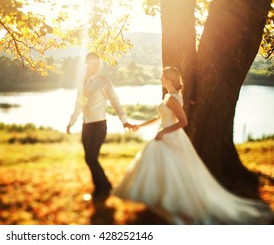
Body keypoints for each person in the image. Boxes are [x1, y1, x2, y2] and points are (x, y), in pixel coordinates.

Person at [112, 67, 273, 224]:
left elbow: (183, 122)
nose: (160, 79)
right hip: (164, 135)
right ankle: (160, 199)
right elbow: (159, 117)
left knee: (174, 169)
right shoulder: (169, 96)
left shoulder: (174, 99)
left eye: (162, 76)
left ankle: (173, 201)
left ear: (169, 79)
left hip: (170, 137)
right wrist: (140, 126)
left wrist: (163, 132)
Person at [67, 52, 132, 201]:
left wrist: (124, 120)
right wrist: (71, 122)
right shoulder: (82, 82)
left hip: (99, 125)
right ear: (86, 64)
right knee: (89, 158)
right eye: (92, 63)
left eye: (98, 63)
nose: (96, 66)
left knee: (91, 158)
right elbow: (79, 104)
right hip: (86, 126)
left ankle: (106, 187)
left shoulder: (104, 81)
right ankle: (99, 189)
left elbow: (115, 101)